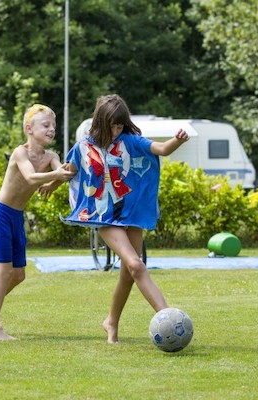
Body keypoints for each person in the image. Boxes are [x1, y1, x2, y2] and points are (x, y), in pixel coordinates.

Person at [62, 94, 190, 343]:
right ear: (100, 121)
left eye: (120, 125)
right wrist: (50, 181)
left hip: (131, 214)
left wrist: (176, 140)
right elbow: (70, 171)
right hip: (102, 215)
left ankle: (111, 322)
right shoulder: (83, 147)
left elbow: (161, 149)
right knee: (136, 265)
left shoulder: (130, 141)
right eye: (112, 125)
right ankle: (169, 319)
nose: (116, 130)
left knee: (128, 274)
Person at [0, 104, 76, 341]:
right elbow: (30, 176)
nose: (51, 129)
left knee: (19, 275)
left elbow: (62, 173)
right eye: (46, 125)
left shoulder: (51, 156)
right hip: (0, 214)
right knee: (4, 272)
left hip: (16, 216)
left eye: (53, 125)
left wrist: (56, 181)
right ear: (29, 129)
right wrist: (54, 176)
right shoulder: (19, 153)